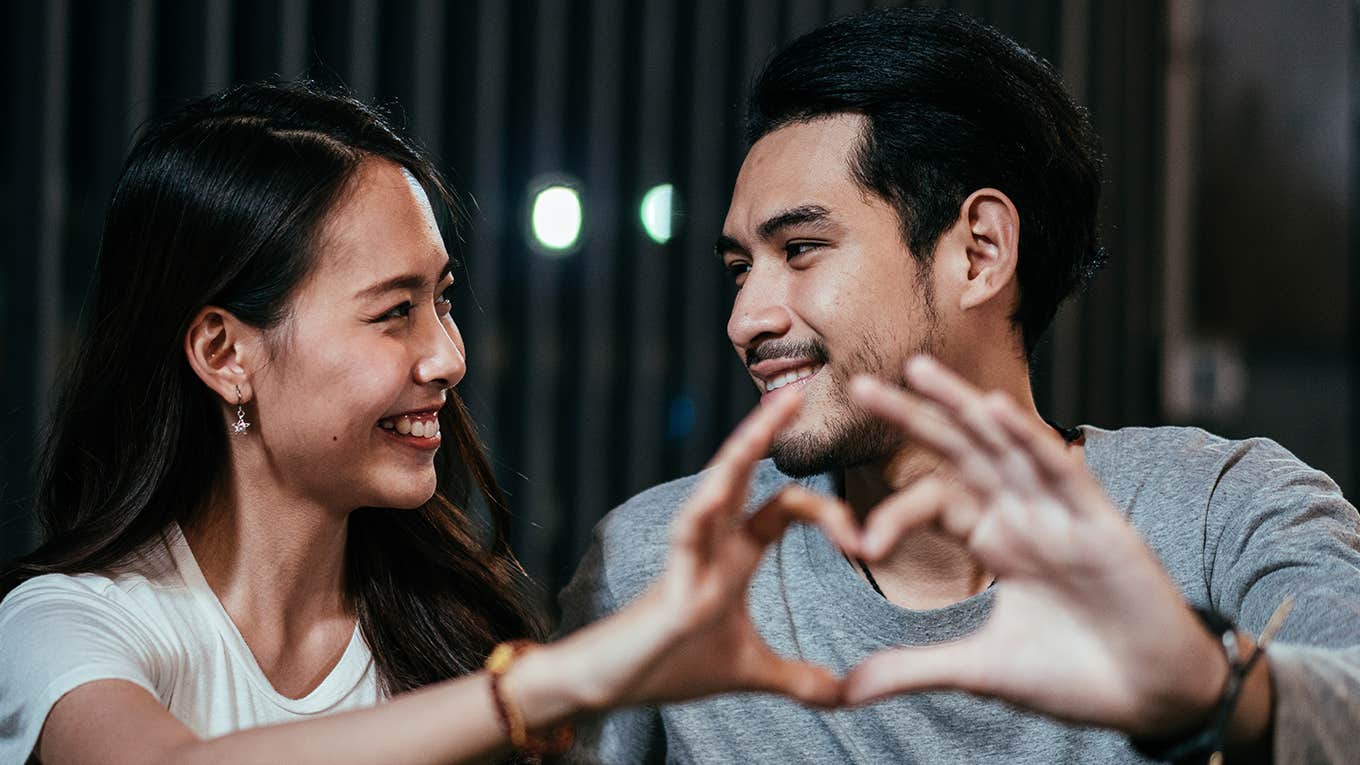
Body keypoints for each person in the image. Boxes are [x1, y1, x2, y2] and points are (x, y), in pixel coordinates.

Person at [559, 7, 1360, 763]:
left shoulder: (1218, 511)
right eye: (740, 270)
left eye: (800, 248)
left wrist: (1212, 688)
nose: (745, 320)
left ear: (978, 252)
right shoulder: (663, 565)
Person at [0, 81, 859, 765]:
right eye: (393, 312)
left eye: (441, 300)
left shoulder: (451, 631)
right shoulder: (70, 625)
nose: (447, 355)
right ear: (225, 352)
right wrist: (543, 687)